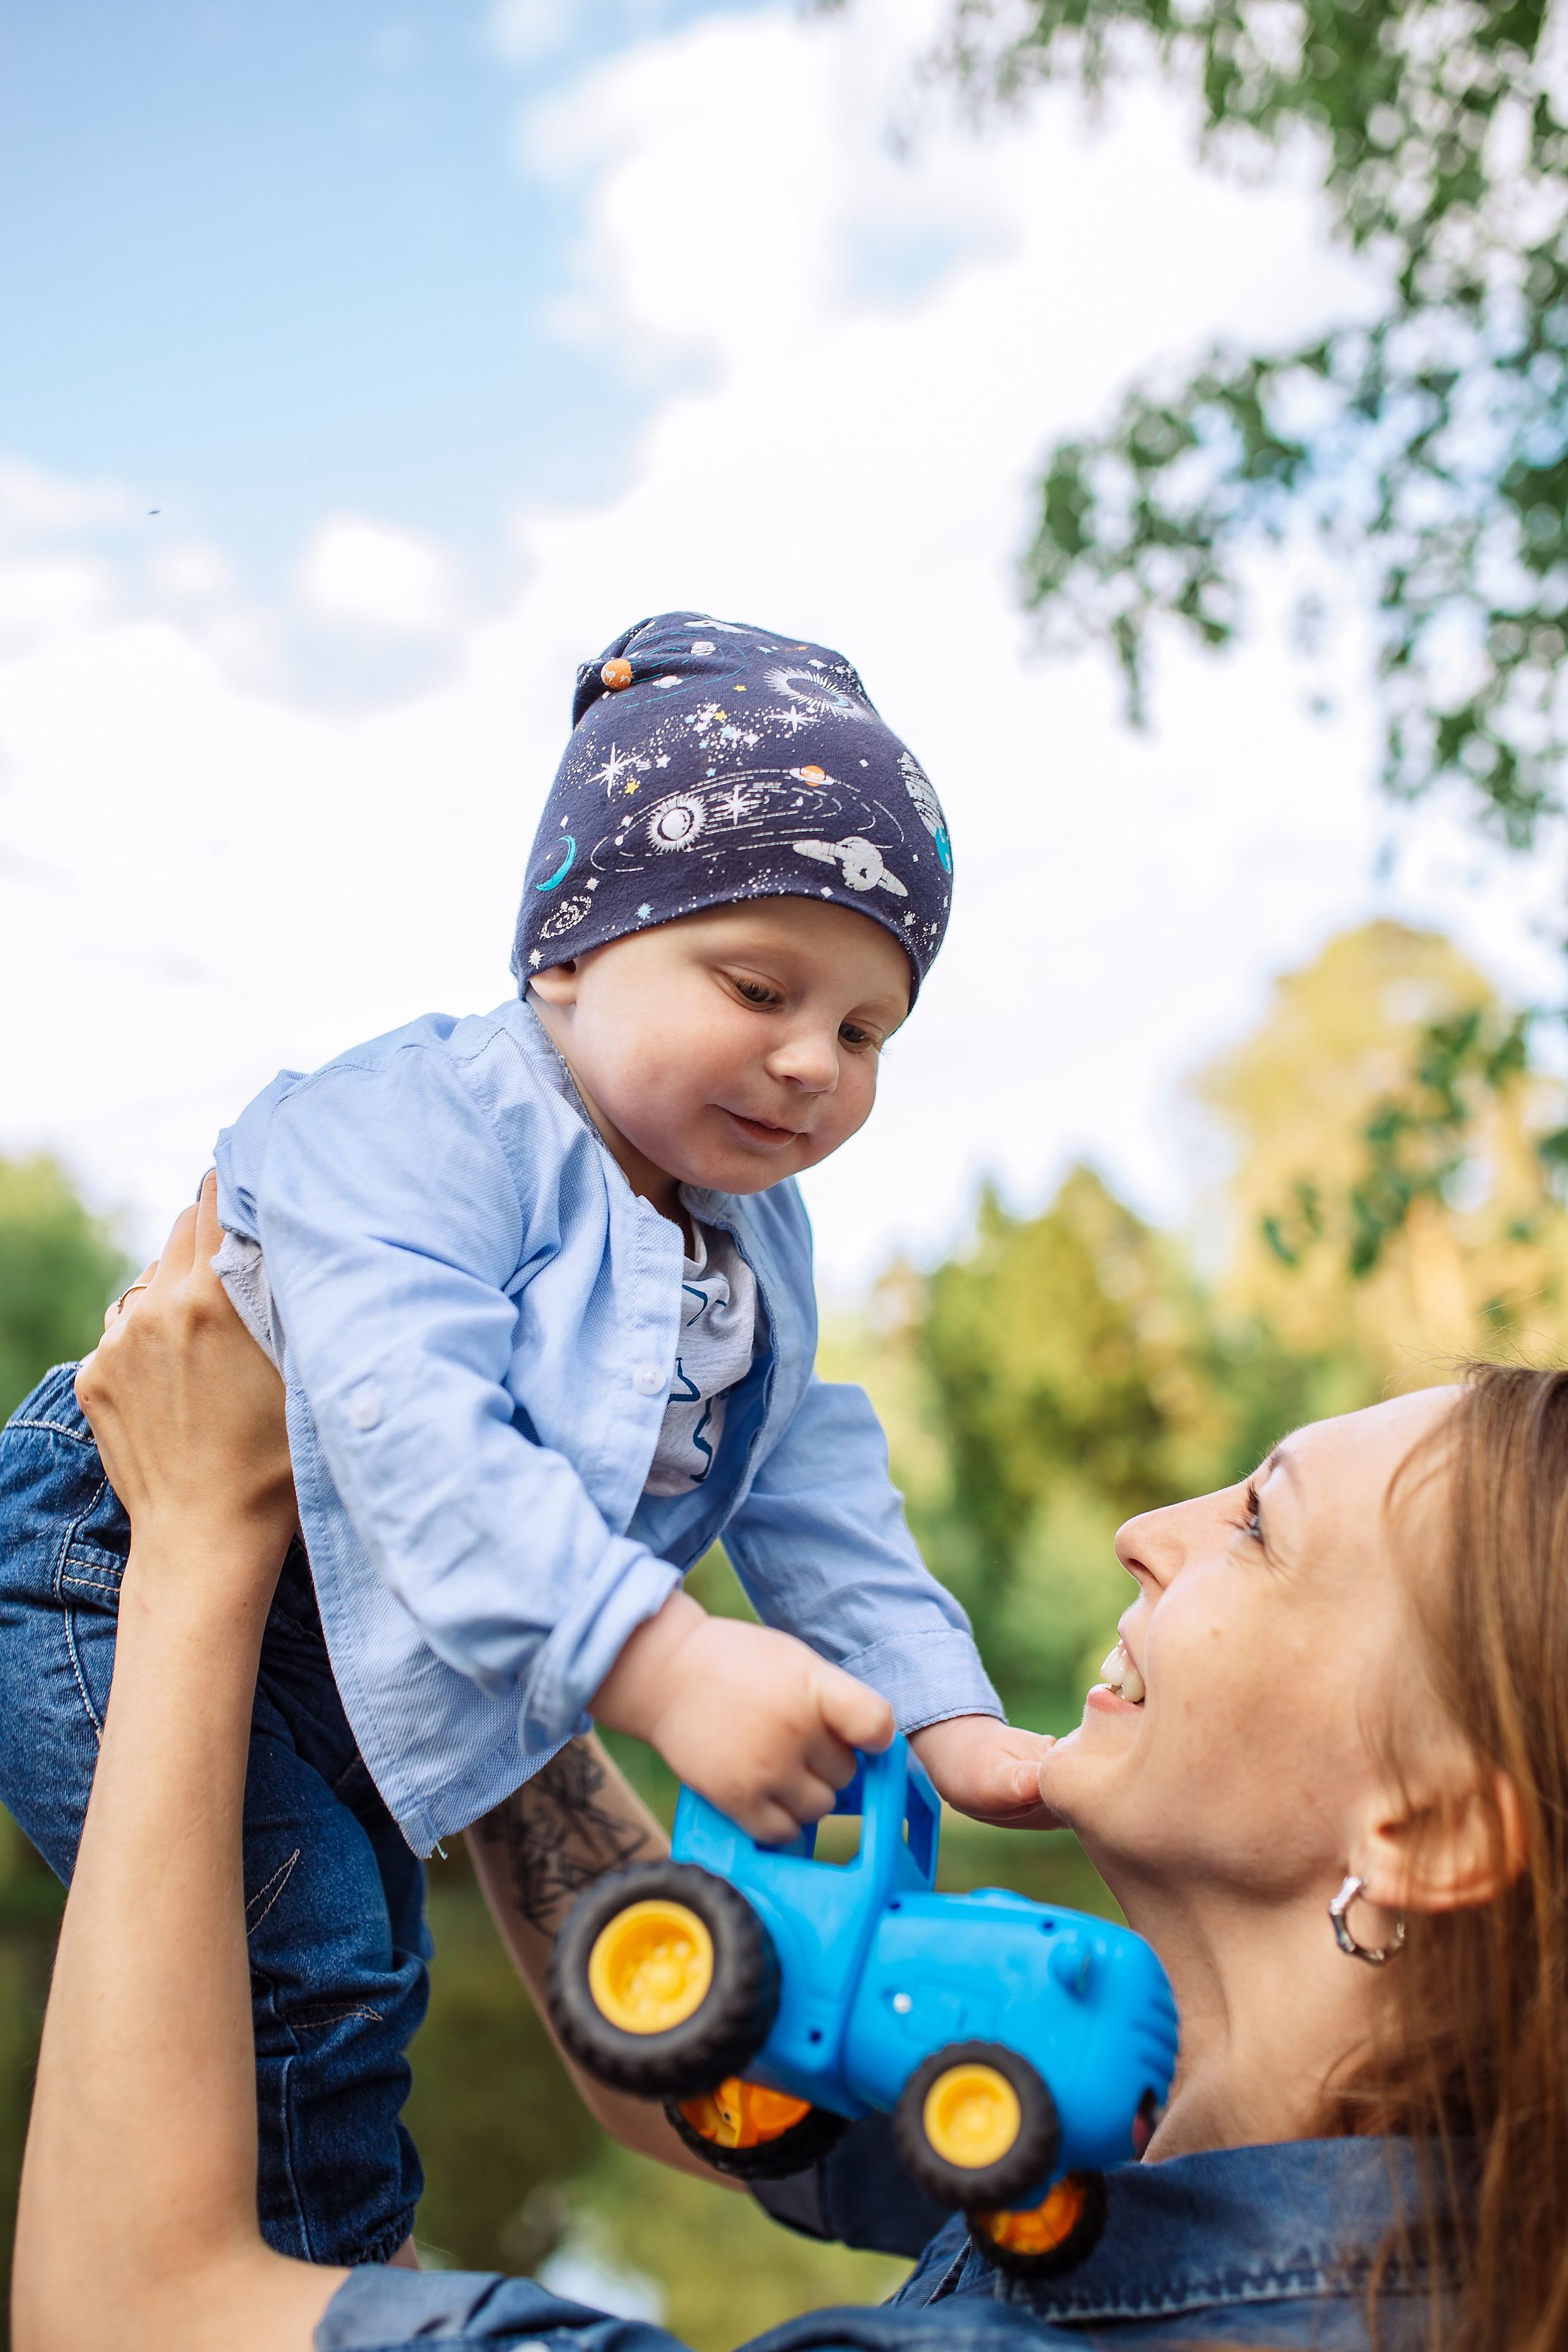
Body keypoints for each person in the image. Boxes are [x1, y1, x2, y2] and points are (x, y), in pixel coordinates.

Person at [17, 1191, 1564, 2351]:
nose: (1146, 1529)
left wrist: (195, 1538)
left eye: (1255, 1525)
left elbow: (121, 2312)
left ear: (1426, 1824)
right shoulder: (1246, 2156)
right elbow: (695, 2077)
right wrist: (515, 1605)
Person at [0, 611, 1052, 2271]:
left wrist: (942, 1712)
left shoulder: (748, 1242)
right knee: (305, 1963)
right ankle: (296, 2295)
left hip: (368, 1627)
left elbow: (811, 1479)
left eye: (866, 1033)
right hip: (121, 1556)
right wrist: (661, 1660)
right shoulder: (428, 1127)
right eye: (760, 988)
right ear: (568, 953)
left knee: (366, 1971)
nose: (810, 1065)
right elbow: (410, 1427)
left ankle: (335, 2279)